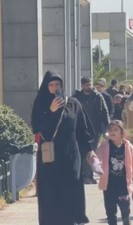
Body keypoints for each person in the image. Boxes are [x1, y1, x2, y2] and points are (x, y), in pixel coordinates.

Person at [31, 70, 98, 225]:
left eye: (58, 84)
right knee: (51, 195)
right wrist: (51, 111)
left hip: (70, 157)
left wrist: (89, 150)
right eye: (51, 84)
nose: (55, 88)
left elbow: (84, 129)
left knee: (71, 190)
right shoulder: (41, 103)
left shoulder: (73, 104)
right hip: (50, 159)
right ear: (46, 86)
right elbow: (37, 127)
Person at [96, 120, 133, 225]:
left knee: (125, 210)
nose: (112, 132)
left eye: (115, 129)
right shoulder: (105, 145)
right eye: (110, 129)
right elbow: (97, 158)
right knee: (110, 212)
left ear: (122, 132)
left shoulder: (128, 146)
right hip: (109, 185)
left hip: (123, 185)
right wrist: (93, 163)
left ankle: (126, 222)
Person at [74, 77, 110, 184]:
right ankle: (82, 175)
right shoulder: (77, 97)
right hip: (80, 128)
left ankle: (89, 175)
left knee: (92, 152)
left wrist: (108, 127)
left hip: (95, 129)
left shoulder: (98, 96)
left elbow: (105, 112)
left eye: (90, 84)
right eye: (86, 85)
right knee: (81, 151)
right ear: (82, 85)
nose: (88, 87)